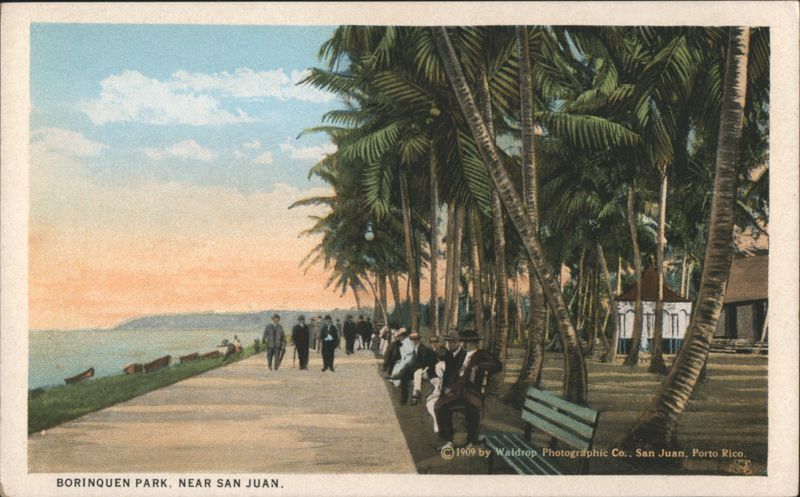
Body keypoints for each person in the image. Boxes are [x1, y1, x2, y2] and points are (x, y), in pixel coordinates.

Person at [435, 329, 502, 450]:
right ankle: (449, 440)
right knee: (440, 407)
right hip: (457, 391)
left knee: (473, 409)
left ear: (474, 343)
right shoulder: (462, 355)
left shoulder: (481, 354)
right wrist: (448, 388)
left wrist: (478, 366)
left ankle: (471, 441)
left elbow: (497, 365)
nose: (464, 344)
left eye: (467, 342)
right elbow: (452, 372)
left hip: (471, 391)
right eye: (463, 342)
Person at [396, 332, 437, 405]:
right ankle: (404, 397)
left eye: (415, 340)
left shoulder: (423, 349)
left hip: (422, 367)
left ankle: (416, 395)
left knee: (417, 373)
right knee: (404, 375)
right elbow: (412, 360)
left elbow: (424, 362)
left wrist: (424, 370)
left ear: (418, 340)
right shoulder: (414, 348)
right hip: (415, 367)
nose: (413, 341)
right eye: (412, 340)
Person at [426, 346, 450, 433]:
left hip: (444, 391)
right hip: (450, 388)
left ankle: (437, 423)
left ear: (437, 357)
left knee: (430, 403)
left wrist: (433, 395)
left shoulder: (438, 365)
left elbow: (441, 383)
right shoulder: (450, 363)